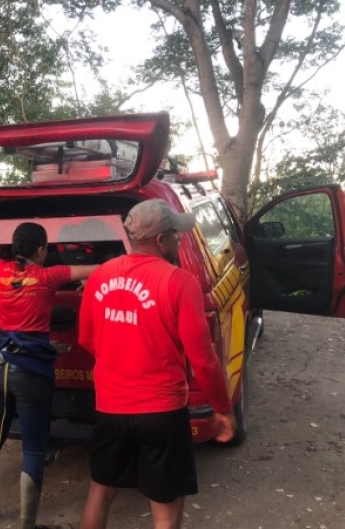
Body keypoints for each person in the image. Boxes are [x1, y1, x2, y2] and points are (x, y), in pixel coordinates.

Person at [77, 199, 236, 529]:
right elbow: (203, 360)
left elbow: (87, 340)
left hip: (111, 407)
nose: (179, 240)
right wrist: (222, 408)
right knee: (165, 503)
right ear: (161, 240)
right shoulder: (179, 282)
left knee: (101, 491)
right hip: (162, 410)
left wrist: (119, 361)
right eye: (175, 234)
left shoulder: (100, 277)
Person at [0, 222, 99, 529]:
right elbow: (93, 270)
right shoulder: (50, 276)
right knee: (34, 449)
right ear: (41, 250)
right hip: (32, 372)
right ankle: (28, 524)